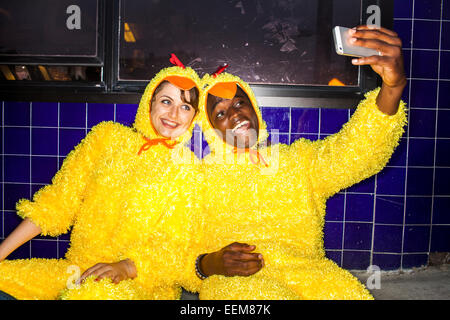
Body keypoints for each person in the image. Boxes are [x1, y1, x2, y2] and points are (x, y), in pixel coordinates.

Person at [192, 26, 407, 299]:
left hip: (309, 276)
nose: (234, 115)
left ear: (254, 110)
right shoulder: (198, 178)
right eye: (220, 112)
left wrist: (392, 87)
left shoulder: (298, 162)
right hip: (237, 285)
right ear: (210, 128)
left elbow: (355, 152)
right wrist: (210, 264)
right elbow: (177, 251)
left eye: (239, 103)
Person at [0, 57, 204, 299]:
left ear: (194, 116)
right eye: (166, 101)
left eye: (185, 107)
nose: (173, 113)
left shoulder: (189, 168)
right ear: (150, 102)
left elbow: (175, 248)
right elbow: (56, 203)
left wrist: (125, 267)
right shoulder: (106, 137)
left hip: (140, 286)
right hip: (77, 271)